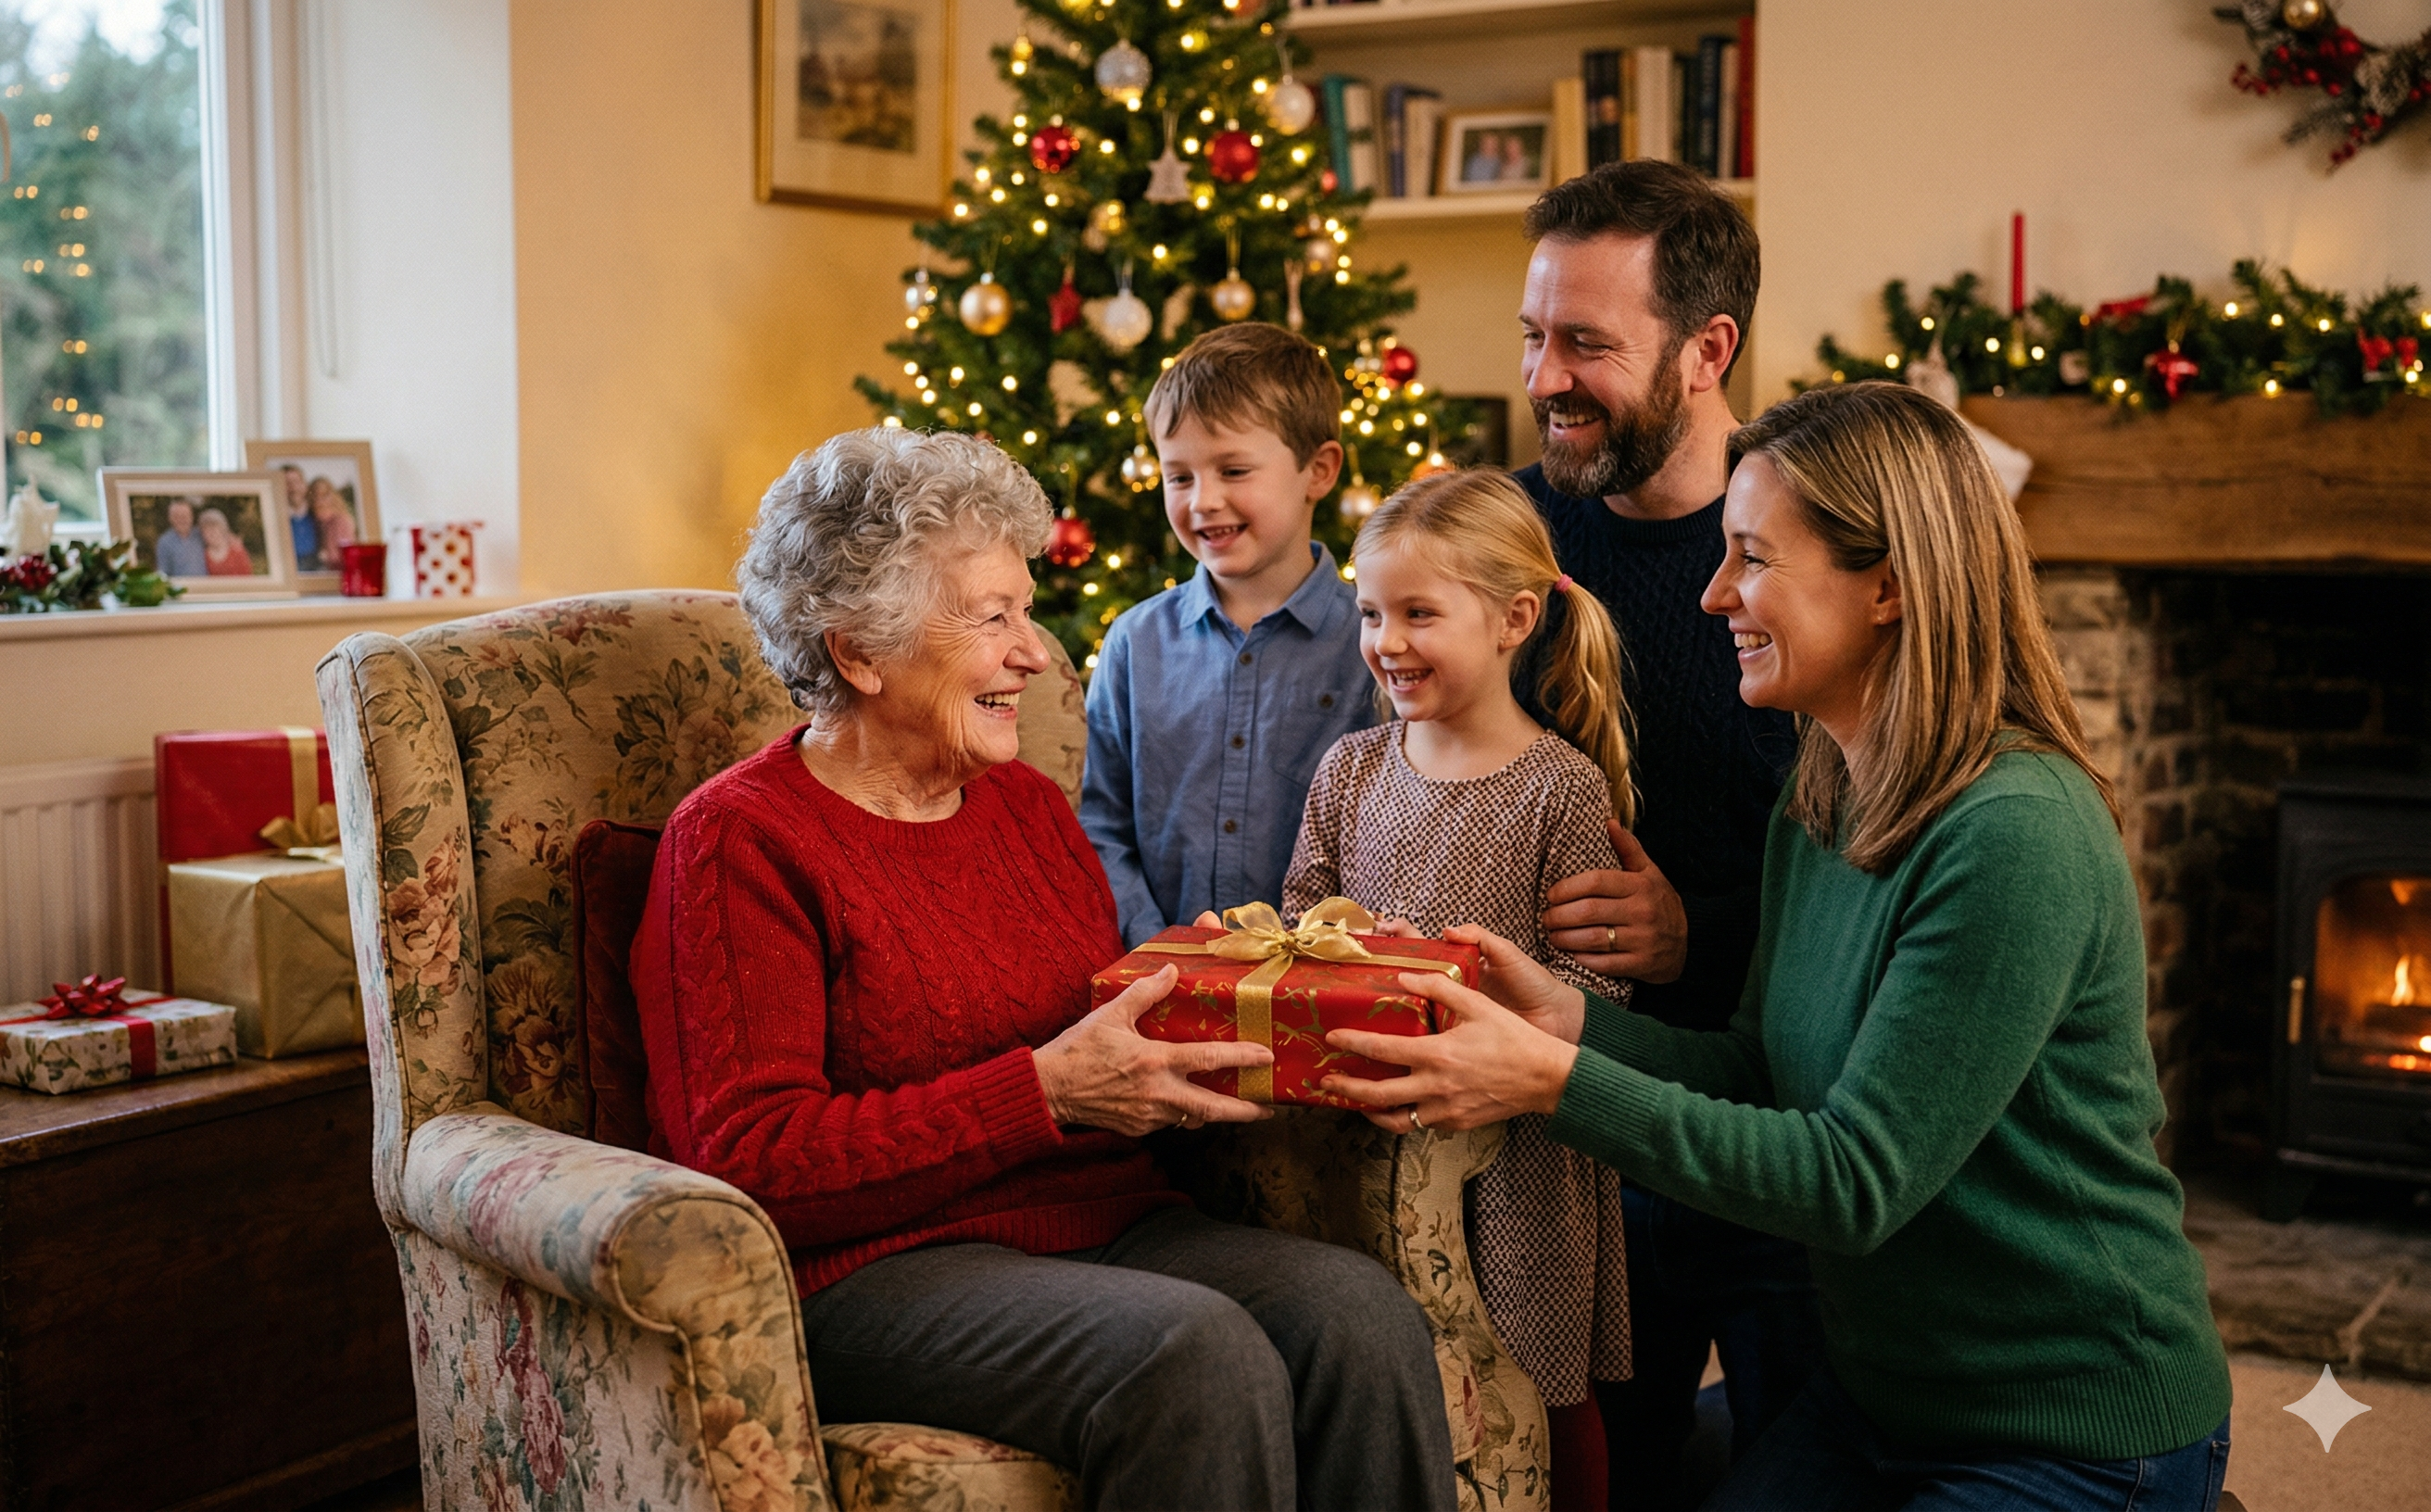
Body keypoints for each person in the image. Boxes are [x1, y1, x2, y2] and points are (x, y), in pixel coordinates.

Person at [1323, 382, 2236, 1512]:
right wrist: (1566, 1022)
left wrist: (1550, 1083)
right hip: (1876, 1401)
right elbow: (1759, 1068)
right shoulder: (1823, 797)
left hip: (2071, 1429)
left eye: (1751, 558)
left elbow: (1852, 1180)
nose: (1713, 595)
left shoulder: (2013, 832)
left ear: (1888, 587)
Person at [633, 426, 1455, 1512]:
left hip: (1104, 1219)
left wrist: (1229, 1018)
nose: (1035, 654)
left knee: (1356, 1316)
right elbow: (750, 1159)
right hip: (873, 1270)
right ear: (859, 652)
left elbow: (1095, 1029)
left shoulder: (1021, 806)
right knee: (1191, 1354)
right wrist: (1041, 1094)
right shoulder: (739, 842)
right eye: (993, 619)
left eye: (1025, 612)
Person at [1511, 158, 1818, 1502]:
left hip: (1779, 1125)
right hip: (1572, 1117)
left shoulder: (1808, 552)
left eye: (1586, 343)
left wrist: (1699, 929)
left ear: (1708, 350)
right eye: (1532, 335)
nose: (1545, 378)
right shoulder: (1510, 536)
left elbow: (1878, 873)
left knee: (1796, 1470)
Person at [1282, 468, 1635, 1512]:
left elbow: (1595, 991)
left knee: (1534, 1380)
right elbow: (1297, 922)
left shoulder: (1560, 786)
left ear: (1514, 620)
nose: (1385, 641)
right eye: (1369, 614)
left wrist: (1471, 988)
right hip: (1370, 1135)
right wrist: (1343, 948)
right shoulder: (1350, 771)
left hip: (1519, 1158)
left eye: (1418, 614)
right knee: (1390, 1370)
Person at [1080, 322, 1373, 946]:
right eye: (1179, 477)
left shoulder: (1374, 646)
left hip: (1330, 978)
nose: (1203, 501)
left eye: (1234, 470)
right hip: (1161, 971)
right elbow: (1100, 823)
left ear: (1319, 471)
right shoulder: (1134, 643)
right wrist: (1156, 943)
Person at [151, 498, 208, 577]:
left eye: (185, 516)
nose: (182, 520)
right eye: (177, 516)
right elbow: (163, 572)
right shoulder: (164, 542)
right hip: (180, 584)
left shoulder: (202, 534)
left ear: (192, 517)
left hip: (206, 584)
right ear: (170, 518)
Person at [308, 476, 357, 569]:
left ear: (333, 496)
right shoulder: (313, 521)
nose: (319, 499)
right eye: (315, 495)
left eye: (324, 495)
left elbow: (344, 555)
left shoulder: (341, 521)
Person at [279, 465, 319, 568]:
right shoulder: (276, 519)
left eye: (296, 482)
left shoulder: (317, 514)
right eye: (287, 483)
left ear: (304, 486)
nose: (293, 488)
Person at [197, 507, 254, 576]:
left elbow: (248, 577)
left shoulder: (237, 551)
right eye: (206, 529)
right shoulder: (202, 556)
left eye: (214, 527)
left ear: (222, 529)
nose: (211, 532)